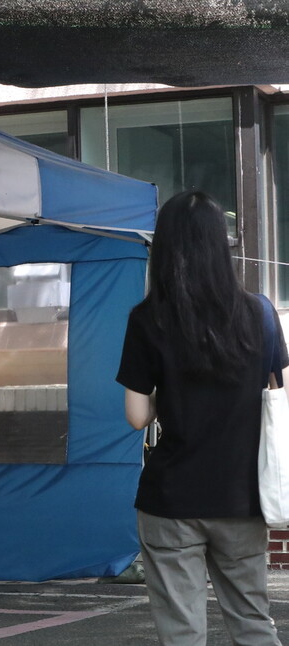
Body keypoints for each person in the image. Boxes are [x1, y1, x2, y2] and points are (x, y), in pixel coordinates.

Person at [116, 190, 285, 646]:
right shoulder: (261, 312)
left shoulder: (147, 318)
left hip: (171, 499)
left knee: (182, 631)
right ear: (220, 243)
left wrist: (169, 396)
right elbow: (280, 394)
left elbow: (136, 417)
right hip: (242, 496)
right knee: (252, 622)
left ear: (166, 246)